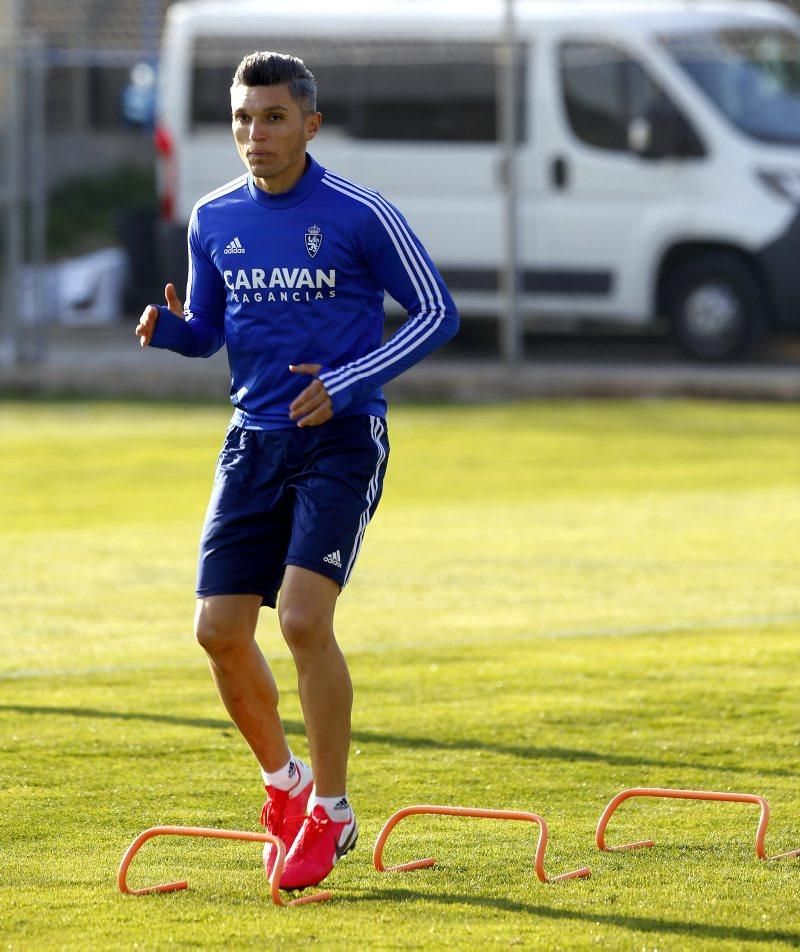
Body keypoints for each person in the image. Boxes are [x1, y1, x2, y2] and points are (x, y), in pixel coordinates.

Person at [135, 51, 459, 890]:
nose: (255, 133)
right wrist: (173, 333)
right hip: (254, 441)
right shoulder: (212, 217)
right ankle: (286, 784)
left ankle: (336, 811)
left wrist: (347, 382)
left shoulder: (359, 213)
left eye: (273, 117)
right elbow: (210, 327)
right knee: (217, 633)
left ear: (309, 125)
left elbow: (437, 312)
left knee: (304, 621)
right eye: (243, 118)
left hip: (342, 438)